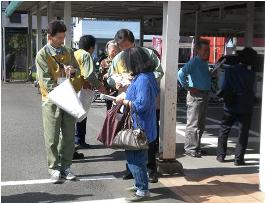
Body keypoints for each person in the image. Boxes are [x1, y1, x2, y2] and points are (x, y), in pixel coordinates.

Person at [107, 29, 164, 183]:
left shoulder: (147, 53)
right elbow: (110, 78)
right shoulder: (118, 58)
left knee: (150, 136)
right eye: (121, 46)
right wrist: (115, 81)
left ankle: (151, 168)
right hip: (126, 98)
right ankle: (131, 169)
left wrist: (138, 78)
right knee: (129, 134)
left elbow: (159, 72)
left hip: (145, 100)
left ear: (132, 41)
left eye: (126, 44)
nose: (124, 49)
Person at [36, 20, 84, 183]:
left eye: (64, 37)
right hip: (51, 99)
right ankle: (54, 168)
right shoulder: (42, 55)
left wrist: (72, 70)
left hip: (68, 96)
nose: (62, 41)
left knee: (69, 135)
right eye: (59, 38)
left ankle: (66, 167)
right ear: (50, 37)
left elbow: (77, 70)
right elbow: (46, 81)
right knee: (52, 137)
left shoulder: (68, 51)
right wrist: (62, 85)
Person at [116, 47, 159, 202]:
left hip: (140, 126)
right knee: (135, 156)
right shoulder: (147, 76)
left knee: (136, 158)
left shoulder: (143, 79)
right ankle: (139, 183)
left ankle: (142, 190)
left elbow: (141, 104)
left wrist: (125, 101)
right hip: (144, 125)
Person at [216, 47, 257, 166]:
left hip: (230, 104)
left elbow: (223, 87)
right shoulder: (251, 74)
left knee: (224, 129)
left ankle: (221, 155)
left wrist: (222, 95)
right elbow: (251, 90)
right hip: (246, 105)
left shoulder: (230, 71)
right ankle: (238, 159)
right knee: (243, 133)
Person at [178, 39, 211, 158]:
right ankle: (190, 149)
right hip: (196, 96)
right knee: (194, 124)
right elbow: (181, 74)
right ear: (198, 50)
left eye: (209, 50)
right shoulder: (195, 62)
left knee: (200, 124)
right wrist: (188, 87)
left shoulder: (203, 62)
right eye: (205, 50)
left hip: (204, 95)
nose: (208, 52)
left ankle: (196, 147)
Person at [74, 35, 106, 149]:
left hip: (74, 88)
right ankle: (79, 140)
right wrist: (99, 85)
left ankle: (75, 139)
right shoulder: (86, 55)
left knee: (75, 116)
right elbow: (88, 75)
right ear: (91, 47)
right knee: (82, 116)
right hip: (84, 88)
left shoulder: (75, 53)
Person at [99, 40, 121, 110]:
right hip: (109, 91)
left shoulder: (121, 61)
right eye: (111, 49)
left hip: (120, 90)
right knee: (110, 110)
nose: (114, 52)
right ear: (107, 50)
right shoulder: (104, 62)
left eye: (116, 49)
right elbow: (100, 76)